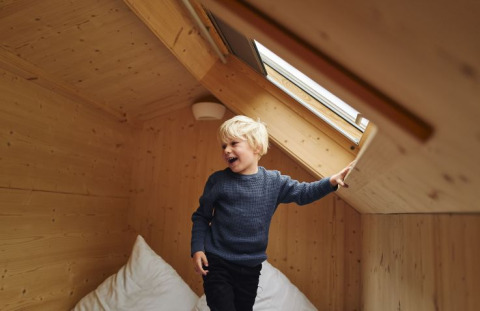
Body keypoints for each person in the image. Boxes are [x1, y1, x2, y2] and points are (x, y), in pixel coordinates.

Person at [190, 115, 354, 311]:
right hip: (217, 263)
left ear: (256, 147)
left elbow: (304, 193)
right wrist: (198, 248)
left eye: (233, 143)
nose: (226, 150)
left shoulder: (274, 182)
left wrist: (331, 182)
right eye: (223, 146)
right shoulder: (218, 181)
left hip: (250, 268)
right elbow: (202, 216)